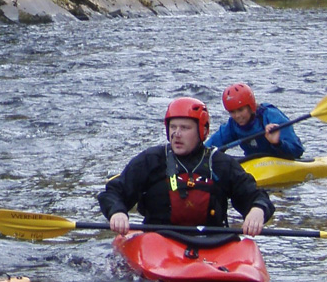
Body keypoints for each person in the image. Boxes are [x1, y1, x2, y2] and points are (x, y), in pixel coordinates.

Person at [99, 97, 274, 236]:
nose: (176, 134)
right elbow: (114, 192)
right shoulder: (151, 160)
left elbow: (255, 195)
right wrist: (117, 212)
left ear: (202, 131)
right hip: (158, 241)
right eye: (173, 127)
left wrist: (257, 210)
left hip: (212, 241)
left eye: (185, 128)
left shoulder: (221, 164)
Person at [206, 83, 304, 159]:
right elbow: (209, 147)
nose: (237, 116)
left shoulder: (272, 117)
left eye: (241, 110)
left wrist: (277, 143)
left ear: (251, 107)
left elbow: (297, 150)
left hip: (282, 161)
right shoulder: (233, 125)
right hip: (256, 166)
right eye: (232, 112)